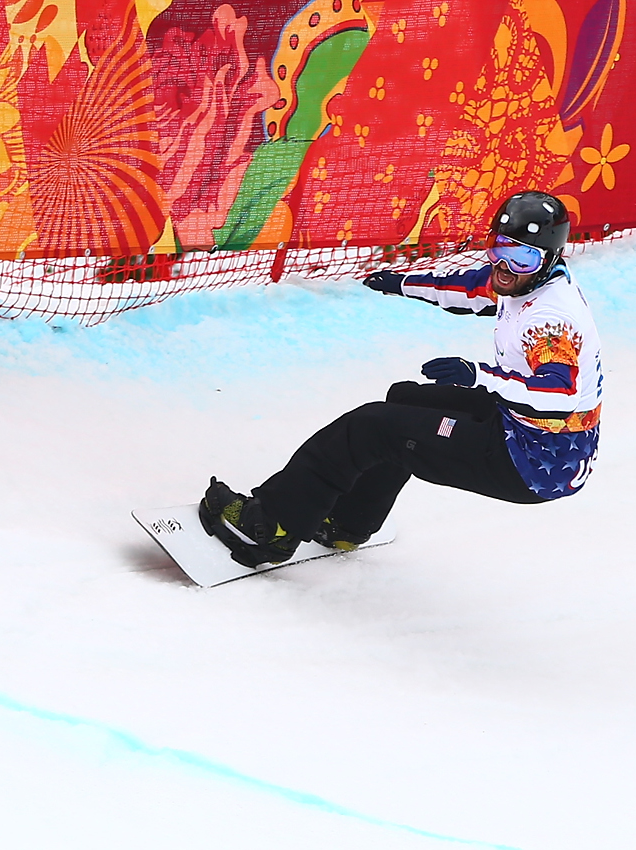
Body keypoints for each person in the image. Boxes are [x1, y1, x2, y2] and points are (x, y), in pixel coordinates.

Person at [200, 190, 603, 567]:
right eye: (499, 248)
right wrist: (401, 283)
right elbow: (471, 289)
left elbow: (559, 394)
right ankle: (348, 524)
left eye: (523, 259)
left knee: (369, 426)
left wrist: (478, 375)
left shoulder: (551, 320)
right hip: (538, 436)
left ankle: (270, 527)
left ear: (548, 258)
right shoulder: (529, 282)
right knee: (406, 401)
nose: (504, 266)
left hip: (531, 463)